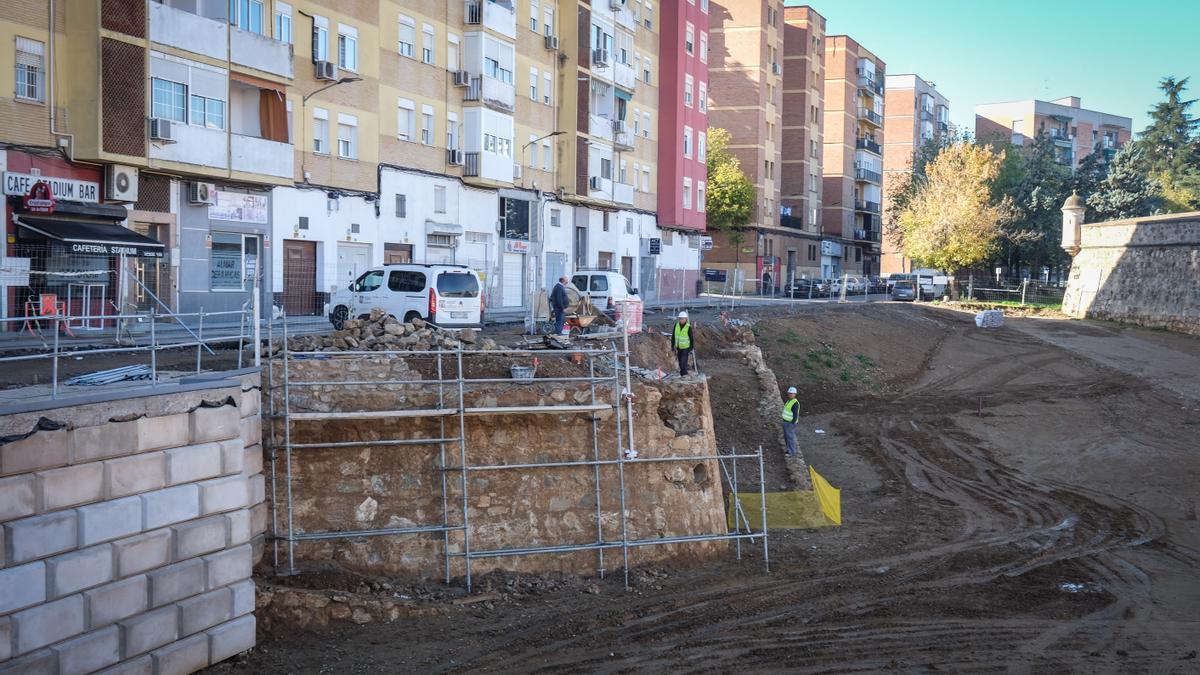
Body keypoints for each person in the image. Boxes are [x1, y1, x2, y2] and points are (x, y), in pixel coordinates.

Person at [672, 311, 694, 376]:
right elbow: (673, 336)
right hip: (678, 347)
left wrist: (691, 347)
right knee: (680, 362)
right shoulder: (676, 325)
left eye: (682, 319)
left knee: (683, 362)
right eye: (680, 318)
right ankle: (683, 374)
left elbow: (691, 338)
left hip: (685, 348)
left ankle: (684, 374)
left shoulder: (688, 327)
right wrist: (672, 345)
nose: (681, 320)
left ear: (686, 319)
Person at [781, 386, 800, 457]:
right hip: (786, 422)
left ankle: (792, 452)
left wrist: (793, 422)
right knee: (787, 437)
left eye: (792, 393)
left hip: (790, 423)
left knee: (790, 437)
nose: (790, 394)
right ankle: (789, 450)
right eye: (789, 393)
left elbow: (795, 414)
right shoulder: (789, 401)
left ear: (795, 394)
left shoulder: (795, 403)